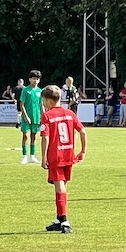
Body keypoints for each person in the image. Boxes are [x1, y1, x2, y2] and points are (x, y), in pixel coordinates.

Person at [39, 85, 87, 233]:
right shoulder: (70, 113)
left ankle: (65, 221)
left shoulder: (47, 116)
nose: (43, 104)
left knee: (59, 186)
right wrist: (83, 151)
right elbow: (83, 132)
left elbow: (45, 137)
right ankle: (59, 219)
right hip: (68, 155)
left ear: (48, 100)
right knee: (62, 185)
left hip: (56, 156)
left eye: (43, 101)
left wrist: (43, 157)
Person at [18, 71, 43, 164]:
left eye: (37, 79)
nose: (35, 80)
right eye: (33, 78)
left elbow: (41, 105)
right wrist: (26, 116)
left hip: (36, 117)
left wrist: (43, 116)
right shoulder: (26, 90)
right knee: (25, 135)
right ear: (29, 79)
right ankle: (24, 156)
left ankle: (32, 156)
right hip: (27, 117)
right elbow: (22, 104)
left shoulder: (40, 91)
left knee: (34, 136)